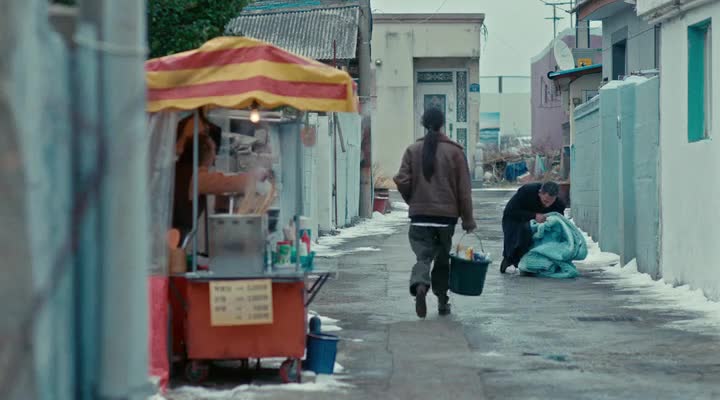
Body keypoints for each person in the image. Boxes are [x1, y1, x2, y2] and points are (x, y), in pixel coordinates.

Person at [394, 108, 476, 318]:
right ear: (442, 124)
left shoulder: (412, 150)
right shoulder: (455, 152)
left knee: (423, 257)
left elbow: (402, 180)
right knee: (442, 259)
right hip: (446, 218)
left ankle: (421, 285)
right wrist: (468, 220)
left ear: (423, 123)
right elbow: (464, 191)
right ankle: (442, 300)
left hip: (420, 217)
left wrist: (413, 200)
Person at [172, 134, 267, 242]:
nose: (215, 157)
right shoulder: (196, 177)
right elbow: (228, 183)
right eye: (213, 151)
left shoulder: (180, 169)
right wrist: (255, 176)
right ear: (204, 153)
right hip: (174, 234)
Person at [500, 181, 565, 273]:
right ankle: (509, 260)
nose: (547, 205)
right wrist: (534, 216)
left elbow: (560, 223)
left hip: (540, 224)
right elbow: (510, 212)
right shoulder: (527, 191)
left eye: (551, 202)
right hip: (516, 218)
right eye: (545, 201)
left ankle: (536, 262)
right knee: (517, 238)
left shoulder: (559, 204)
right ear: (540, 193)